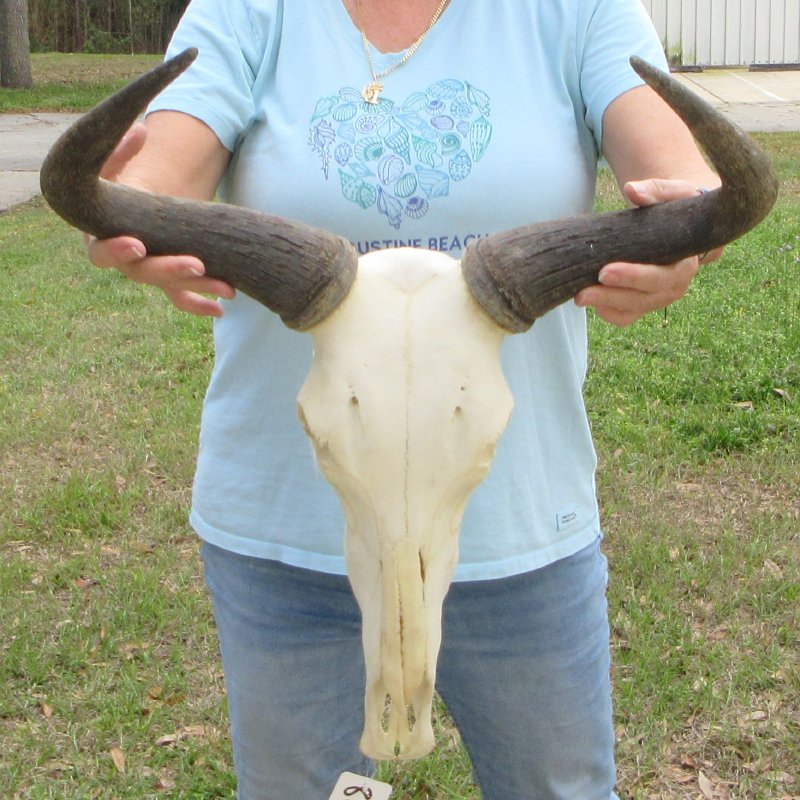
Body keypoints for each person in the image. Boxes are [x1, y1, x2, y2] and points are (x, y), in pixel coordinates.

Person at [85, 1, 722, 797]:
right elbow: (157, 176)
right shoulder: (247, 8)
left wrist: (691, 225)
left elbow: (679, 175)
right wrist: (125, 208)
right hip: (290, 535)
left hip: (518, 527)